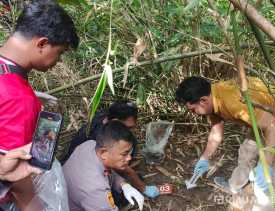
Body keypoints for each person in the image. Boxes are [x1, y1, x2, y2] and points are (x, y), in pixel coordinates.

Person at [0, 0, 79, 209]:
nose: (58, 61)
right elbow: (16, 175)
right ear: (42, 44)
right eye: (60, 53)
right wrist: (34, 205)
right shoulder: (19, 99)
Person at [175, 76, 275, 194]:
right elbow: (216, 129)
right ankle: (235, 186)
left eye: (193, 110)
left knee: (271, 171)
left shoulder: (233, 102)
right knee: (247, 152)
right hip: (262, 120)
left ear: (203, 101)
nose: (193, 113)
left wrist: (265, 166)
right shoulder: (213, 96)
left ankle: (264, 202)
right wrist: (204, 158)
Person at [62, 100, 160, 200]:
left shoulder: (106, 118)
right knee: (118, 197)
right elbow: (119, 168)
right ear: (114, 122)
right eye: (127, 127)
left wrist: (124, 184)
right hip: (81, 177)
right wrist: (143, 187)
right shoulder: (99, 138)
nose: (130, 131)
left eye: (132, 127)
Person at [63, 121, 144, 211]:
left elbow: (108, 171)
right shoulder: (96, 190)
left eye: (129, 152)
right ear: (103, 153)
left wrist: (123, 184)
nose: (129, 158)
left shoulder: (90, 144)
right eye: (124, 154)